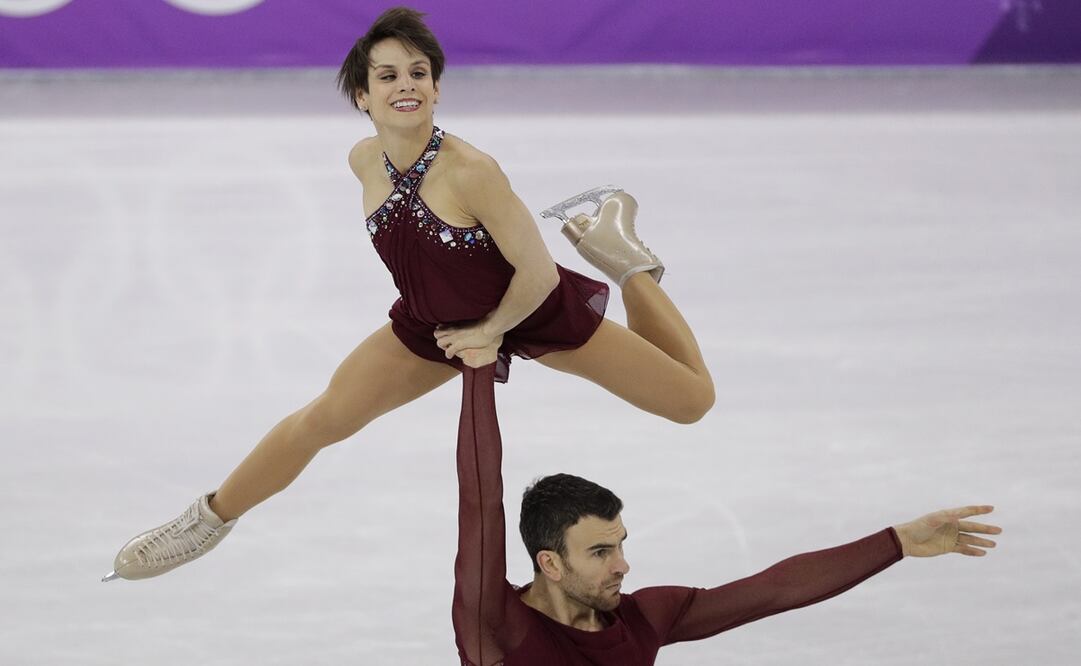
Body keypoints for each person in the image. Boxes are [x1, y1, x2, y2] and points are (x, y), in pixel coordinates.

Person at [104, 7, 714, 582]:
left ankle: (627, 262)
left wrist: (490, 329)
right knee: (324, 418)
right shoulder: (364, 160)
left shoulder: (473, 171)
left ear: (438, 89)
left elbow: (539, 276)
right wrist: (463, 327)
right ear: (362, 97)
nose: (408, 84)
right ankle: (203, 523)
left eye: (420, 73)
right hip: (431, 323)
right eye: (388, 74)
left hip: (531, 309)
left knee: (690, 402)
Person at [454, 364, 1002, 665]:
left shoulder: (640, 621)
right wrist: (478, 369)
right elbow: (481, 499)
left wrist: (897, 542)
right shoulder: (498, 626)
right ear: (549, 562)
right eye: (600, 552)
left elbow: (771, 590)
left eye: (620, 544)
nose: (623, 565)